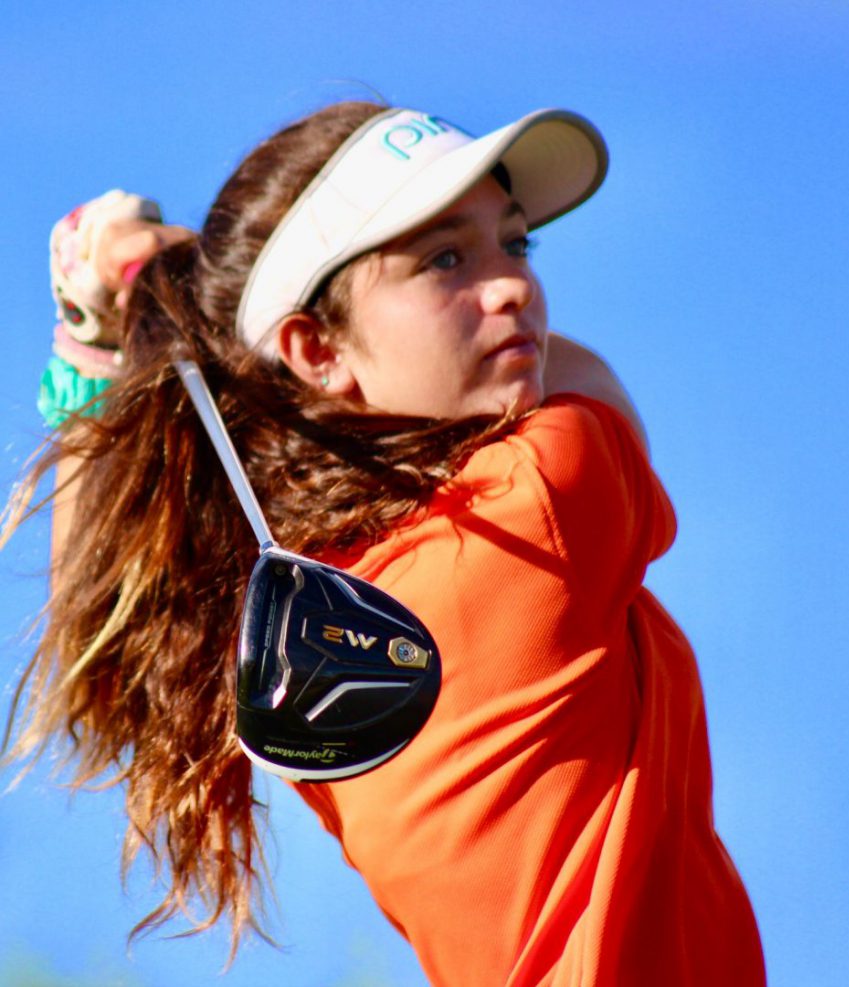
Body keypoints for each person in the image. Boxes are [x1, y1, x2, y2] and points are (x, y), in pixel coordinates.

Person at [3, 100, 766, 985]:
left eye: (515, 245)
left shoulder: (286, 616)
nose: (513, 287)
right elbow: (592, 381)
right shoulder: (552, 488)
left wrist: (99, 350)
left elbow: (101, 618)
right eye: (444, 258)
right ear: (314, 349)